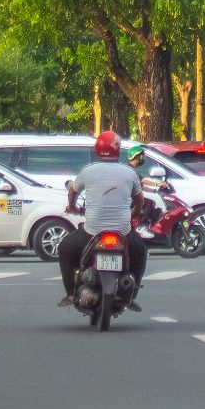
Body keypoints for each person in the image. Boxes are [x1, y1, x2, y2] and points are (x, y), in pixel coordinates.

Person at [55, 131, 148, 307]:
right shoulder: (129, 173)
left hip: (92, 232)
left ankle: (71, 294)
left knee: (65, 248)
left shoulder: (88, 171)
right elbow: (139, 200)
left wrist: (73, 207)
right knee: (141, 251)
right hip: (123, 232)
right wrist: (135, 214)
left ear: (98, 149)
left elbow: (73, 193)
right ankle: (133, 293)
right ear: (118, 150)